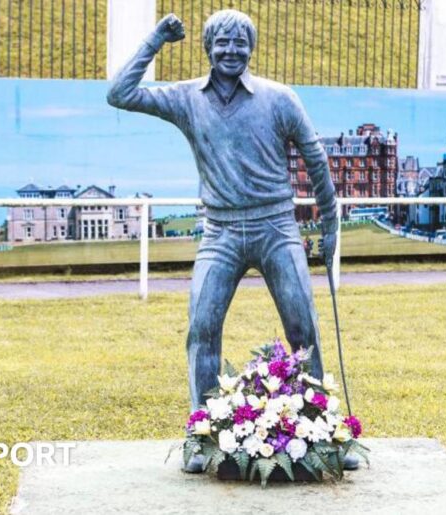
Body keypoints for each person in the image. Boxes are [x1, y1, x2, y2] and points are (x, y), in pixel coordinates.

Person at [107, 10, 347, 472]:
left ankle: (324, 431)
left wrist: (331, 221)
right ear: (208, 48)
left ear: (251, 48)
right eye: (222, 43)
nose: (231, 51)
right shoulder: (185, 99)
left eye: (240, 43)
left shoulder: (279, 99)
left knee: (304, 329)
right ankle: (201, 434)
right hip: (219, 232)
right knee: (201, 328)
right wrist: (156, 38)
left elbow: (316, 159)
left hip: (277, 226)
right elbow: (119, 94)